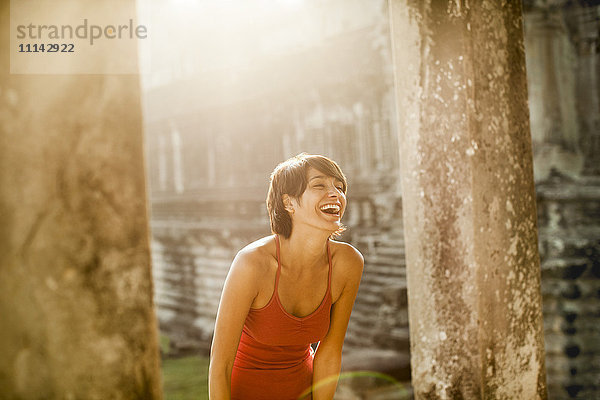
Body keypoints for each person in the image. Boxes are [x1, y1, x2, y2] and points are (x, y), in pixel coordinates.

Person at [208, 153, 364, 400]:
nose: (335, 193)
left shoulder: (347, 263)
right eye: (319, 185)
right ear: (288, 202)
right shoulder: (253, 263)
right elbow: (220, 365)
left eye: (339, 186)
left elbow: (330, 351)